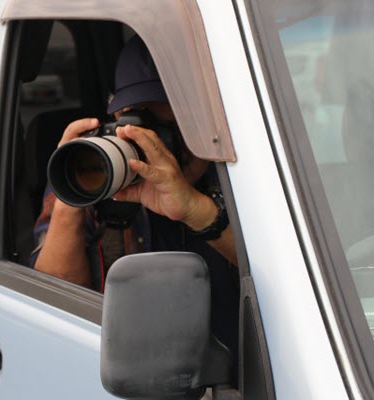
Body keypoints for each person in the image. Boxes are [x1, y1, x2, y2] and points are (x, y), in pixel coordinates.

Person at [31, 35, 239, 359]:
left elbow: (289, 279)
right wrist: (71, 194)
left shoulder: (239, 176)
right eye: (137, 119)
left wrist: (196, 211)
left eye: (168, 125)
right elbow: (54, 304)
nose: (154, 141)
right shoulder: (95, 174)